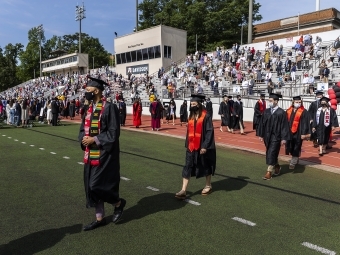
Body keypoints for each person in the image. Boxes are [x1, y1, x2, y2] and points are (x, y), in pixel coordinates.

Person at [78, 76, 126, 231]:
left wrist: (94, 139)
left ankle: (118, 203)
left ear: (96, 90)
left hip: (105, 154)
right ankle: (99, 219)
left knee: (96, 184)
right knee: (90, 187)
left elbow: (113, 133)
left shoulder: (109, 108)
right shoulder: (88, 109)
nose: (86, 93)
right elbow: (81, 130)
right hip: (89, 153)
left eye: (88, 90)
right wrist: (84, 139)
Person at [175, 94, 216, 199]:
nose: (192, 105)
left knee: (205, 164)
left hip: (202, 146)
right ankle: (183, 190)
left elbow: (209, 132)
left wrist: (205, 146)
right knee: (187, 166)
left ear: (199, 104)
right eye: (191, 104)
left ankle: (208, 185)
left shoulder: (206, 116)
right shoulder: (191, 115)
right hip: (191, 146)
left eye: (194, 104)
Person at [258, 93, 290, 180]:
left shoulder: (281, 112)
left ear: (276, 101)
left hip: (277, 136)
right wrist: (261, 134)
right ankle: (277, 166)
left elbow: (284, 126)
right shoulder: (266, 111)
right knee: (271, 152)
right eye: (269, 101)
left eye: (271, 101)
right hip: (267, 136)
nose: (269, 102)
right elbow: (262, 123)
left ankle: (269, 172)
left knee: (271, 152)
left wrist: (284, 138)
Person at [285, 96, 311, 169]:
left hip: (299, 132)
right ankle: (296, 158)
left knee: (297, 146)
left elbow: (306, 123)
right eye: (297, 102)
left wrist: (304, 133)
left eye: (300, 102)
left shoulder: (304, 111)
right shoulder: (288, 110)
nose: (298, 103)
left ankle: (293, 162)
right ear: (293, 102)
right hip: (289, 132)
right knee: (290, 146)